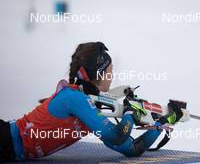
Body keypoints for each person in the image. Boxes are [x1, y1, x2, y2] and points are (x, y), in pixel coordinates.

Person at [0, 42, 182, 162]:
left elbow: (132, 148)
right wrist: (130, 114)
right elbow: (117, 136)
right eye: (110, 72)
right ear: (100, 75)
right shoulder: (75, 99)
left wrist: (161, 123)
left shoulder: (89, 102)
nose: (112, 78)